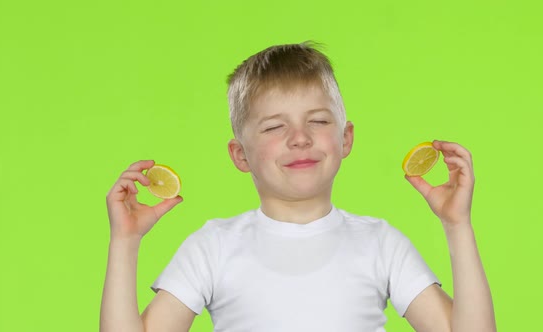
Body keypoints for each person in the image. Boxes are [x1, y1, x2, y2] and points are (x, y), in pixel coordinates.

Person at [100, 42, 496, 332]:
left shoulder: (380, 243)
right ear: (240, 155)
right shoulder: (213, 247)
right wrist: (125, 240)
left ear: (346, 139)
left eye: (318, 121)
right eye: (274, 126)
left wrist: (457, 225)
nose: (300, 138)